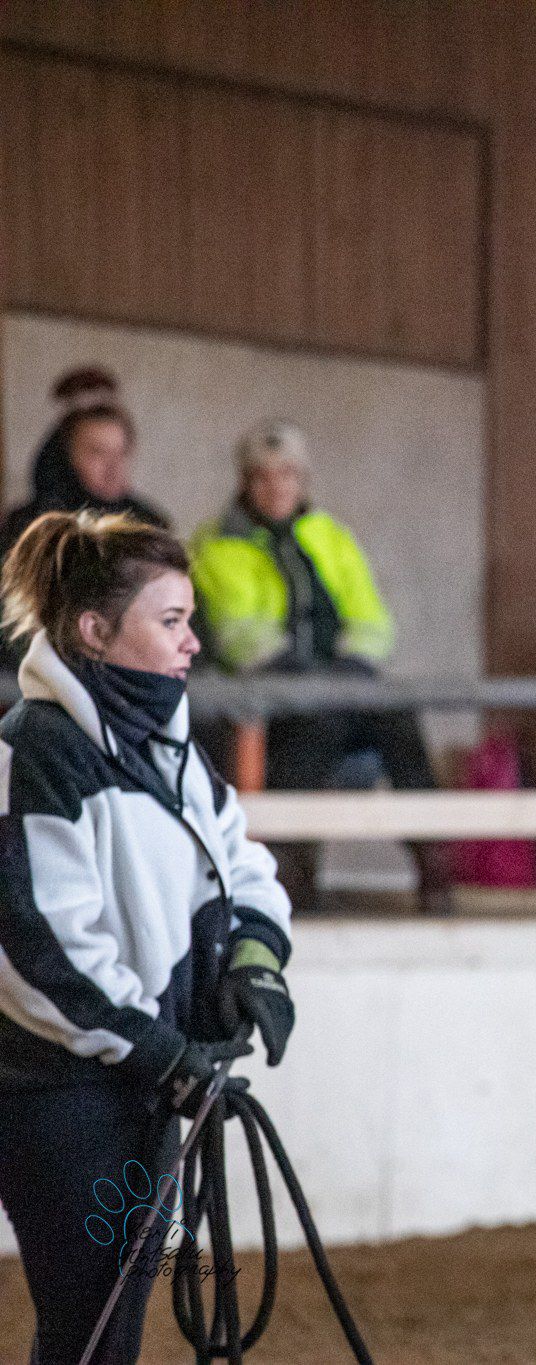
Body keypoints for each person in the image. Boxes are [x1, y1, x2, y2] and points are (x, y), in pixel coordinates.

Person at [0, 510, 294, 1365]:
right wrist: (164, 1052)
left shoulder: (169, 748)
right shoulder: (37, 754)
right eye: (171, 620)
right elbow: (42, 953)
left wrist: (255, 957)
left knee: (111, 1316)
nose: (193, 641)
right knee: (92, 1322)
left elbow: (240, 863)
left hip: (142, 1082)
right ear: (95, 631)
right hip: (62, 1091)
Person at [188, 420, 450, 912]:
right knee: (314, 725)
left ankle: (434, 860)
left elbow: (372, 619)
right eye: (263, 476)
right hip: (269, 696)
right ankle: (293, 869)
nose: (276, 487)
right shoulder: (216, 545)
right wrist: (315, 686)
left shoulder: (331, 535)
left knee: (398, 716)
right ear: (245, 482)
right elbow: (240, 637)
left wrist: (349, 673)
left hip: (344, 685)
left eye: (287, 474)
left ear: (303, 480)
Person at [0, 390, 170, 560]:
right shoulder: (29, 528)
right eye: (98, 453)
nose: (113, 467)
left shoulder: (150, 526)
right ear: (67, 458)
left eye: (122, 452)